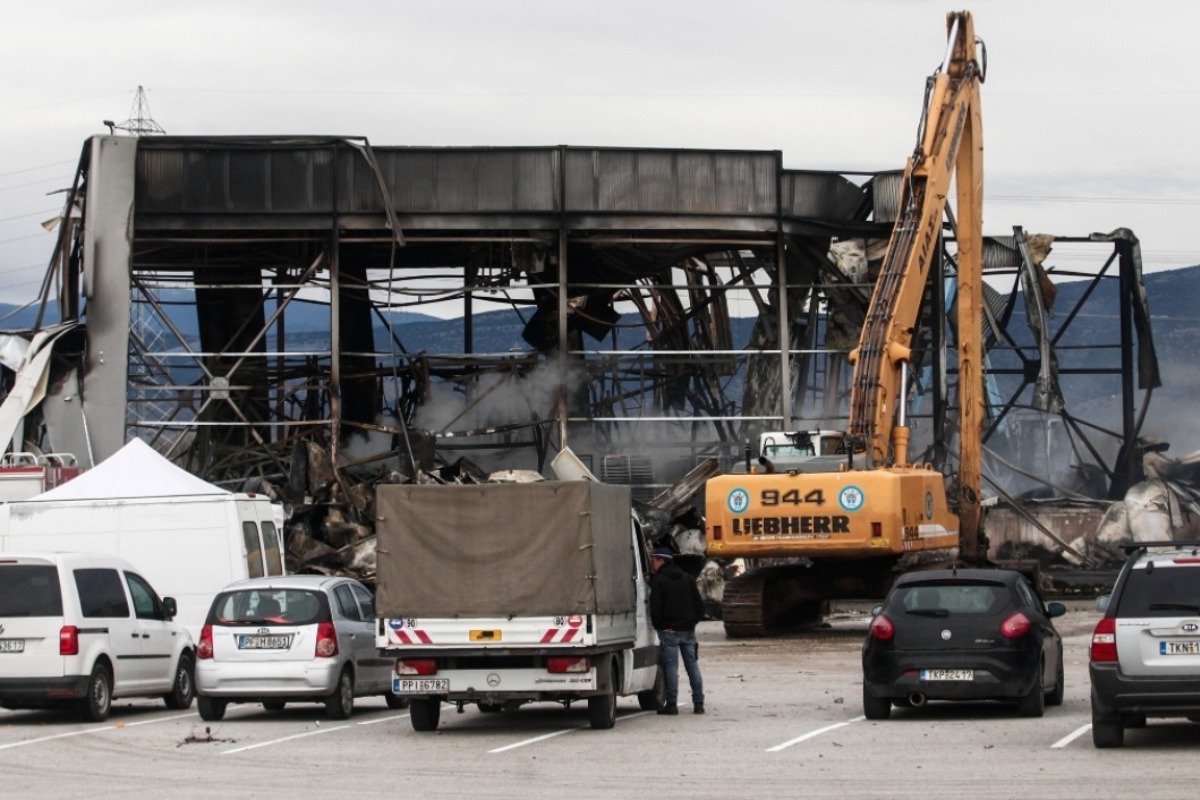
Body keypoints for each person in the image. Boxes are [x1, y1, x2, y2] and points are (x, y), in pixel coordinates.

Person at [648, 545, 705, 715]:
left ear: (661, 561)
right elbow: (699, 606)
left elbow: (655, 608)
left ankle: (671, 704)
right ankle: (699, 703)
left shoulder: (659, 581)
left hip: (669, 631)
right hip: (688, 631)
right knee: (693, 667)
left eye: (653, 561)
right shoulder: (687, 579)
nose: (652, 564)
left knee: (671, 668)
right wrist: (691, 623)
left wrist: (660, 626)